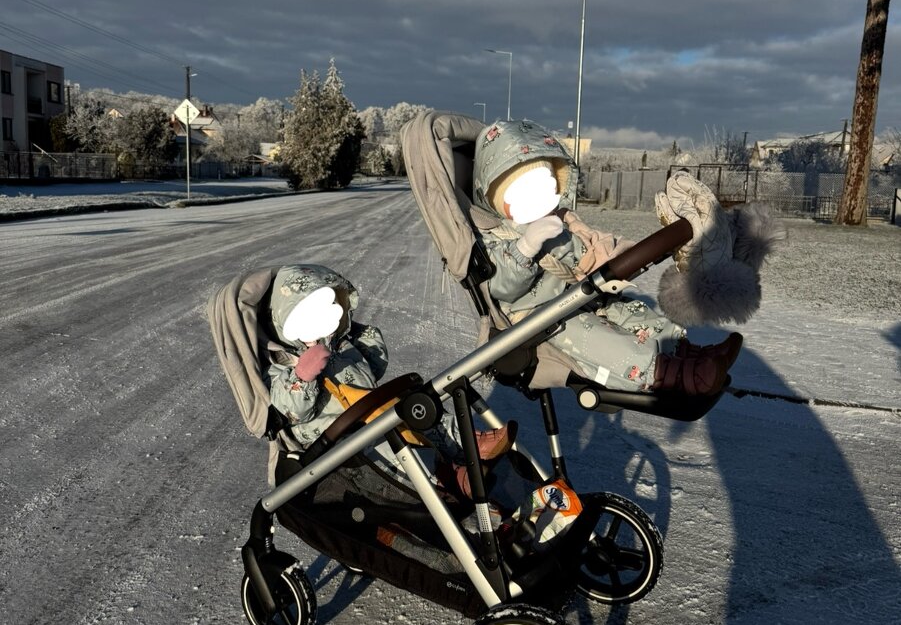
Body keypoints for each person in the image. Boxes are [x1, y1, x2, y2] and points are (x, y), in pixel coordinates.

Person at [470, 120, 748, 396]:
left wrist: (606, 253)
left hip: (576, 298)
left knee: (632, 311)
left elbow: (578, 254)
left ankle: (685, 352)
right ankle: (670, 374)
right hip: (539, 318)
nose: (536, 199)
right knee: (599, 340)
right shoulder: (496, 236)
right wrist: (526, 246)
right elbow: (500, 287)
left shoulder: (555, 221)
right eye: (522, 192)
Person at [266, 263, 514, 494]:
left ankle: (466, 443)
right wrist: (303, 376)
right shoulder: (283, 363)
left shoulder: (341, 344)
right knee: (390, 448)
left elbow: (375, 365)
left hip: (373, 410)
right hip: (340, 437)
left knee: (417, 407)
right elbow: (290, 411)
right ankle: (444, 481)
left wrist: (355, 332)